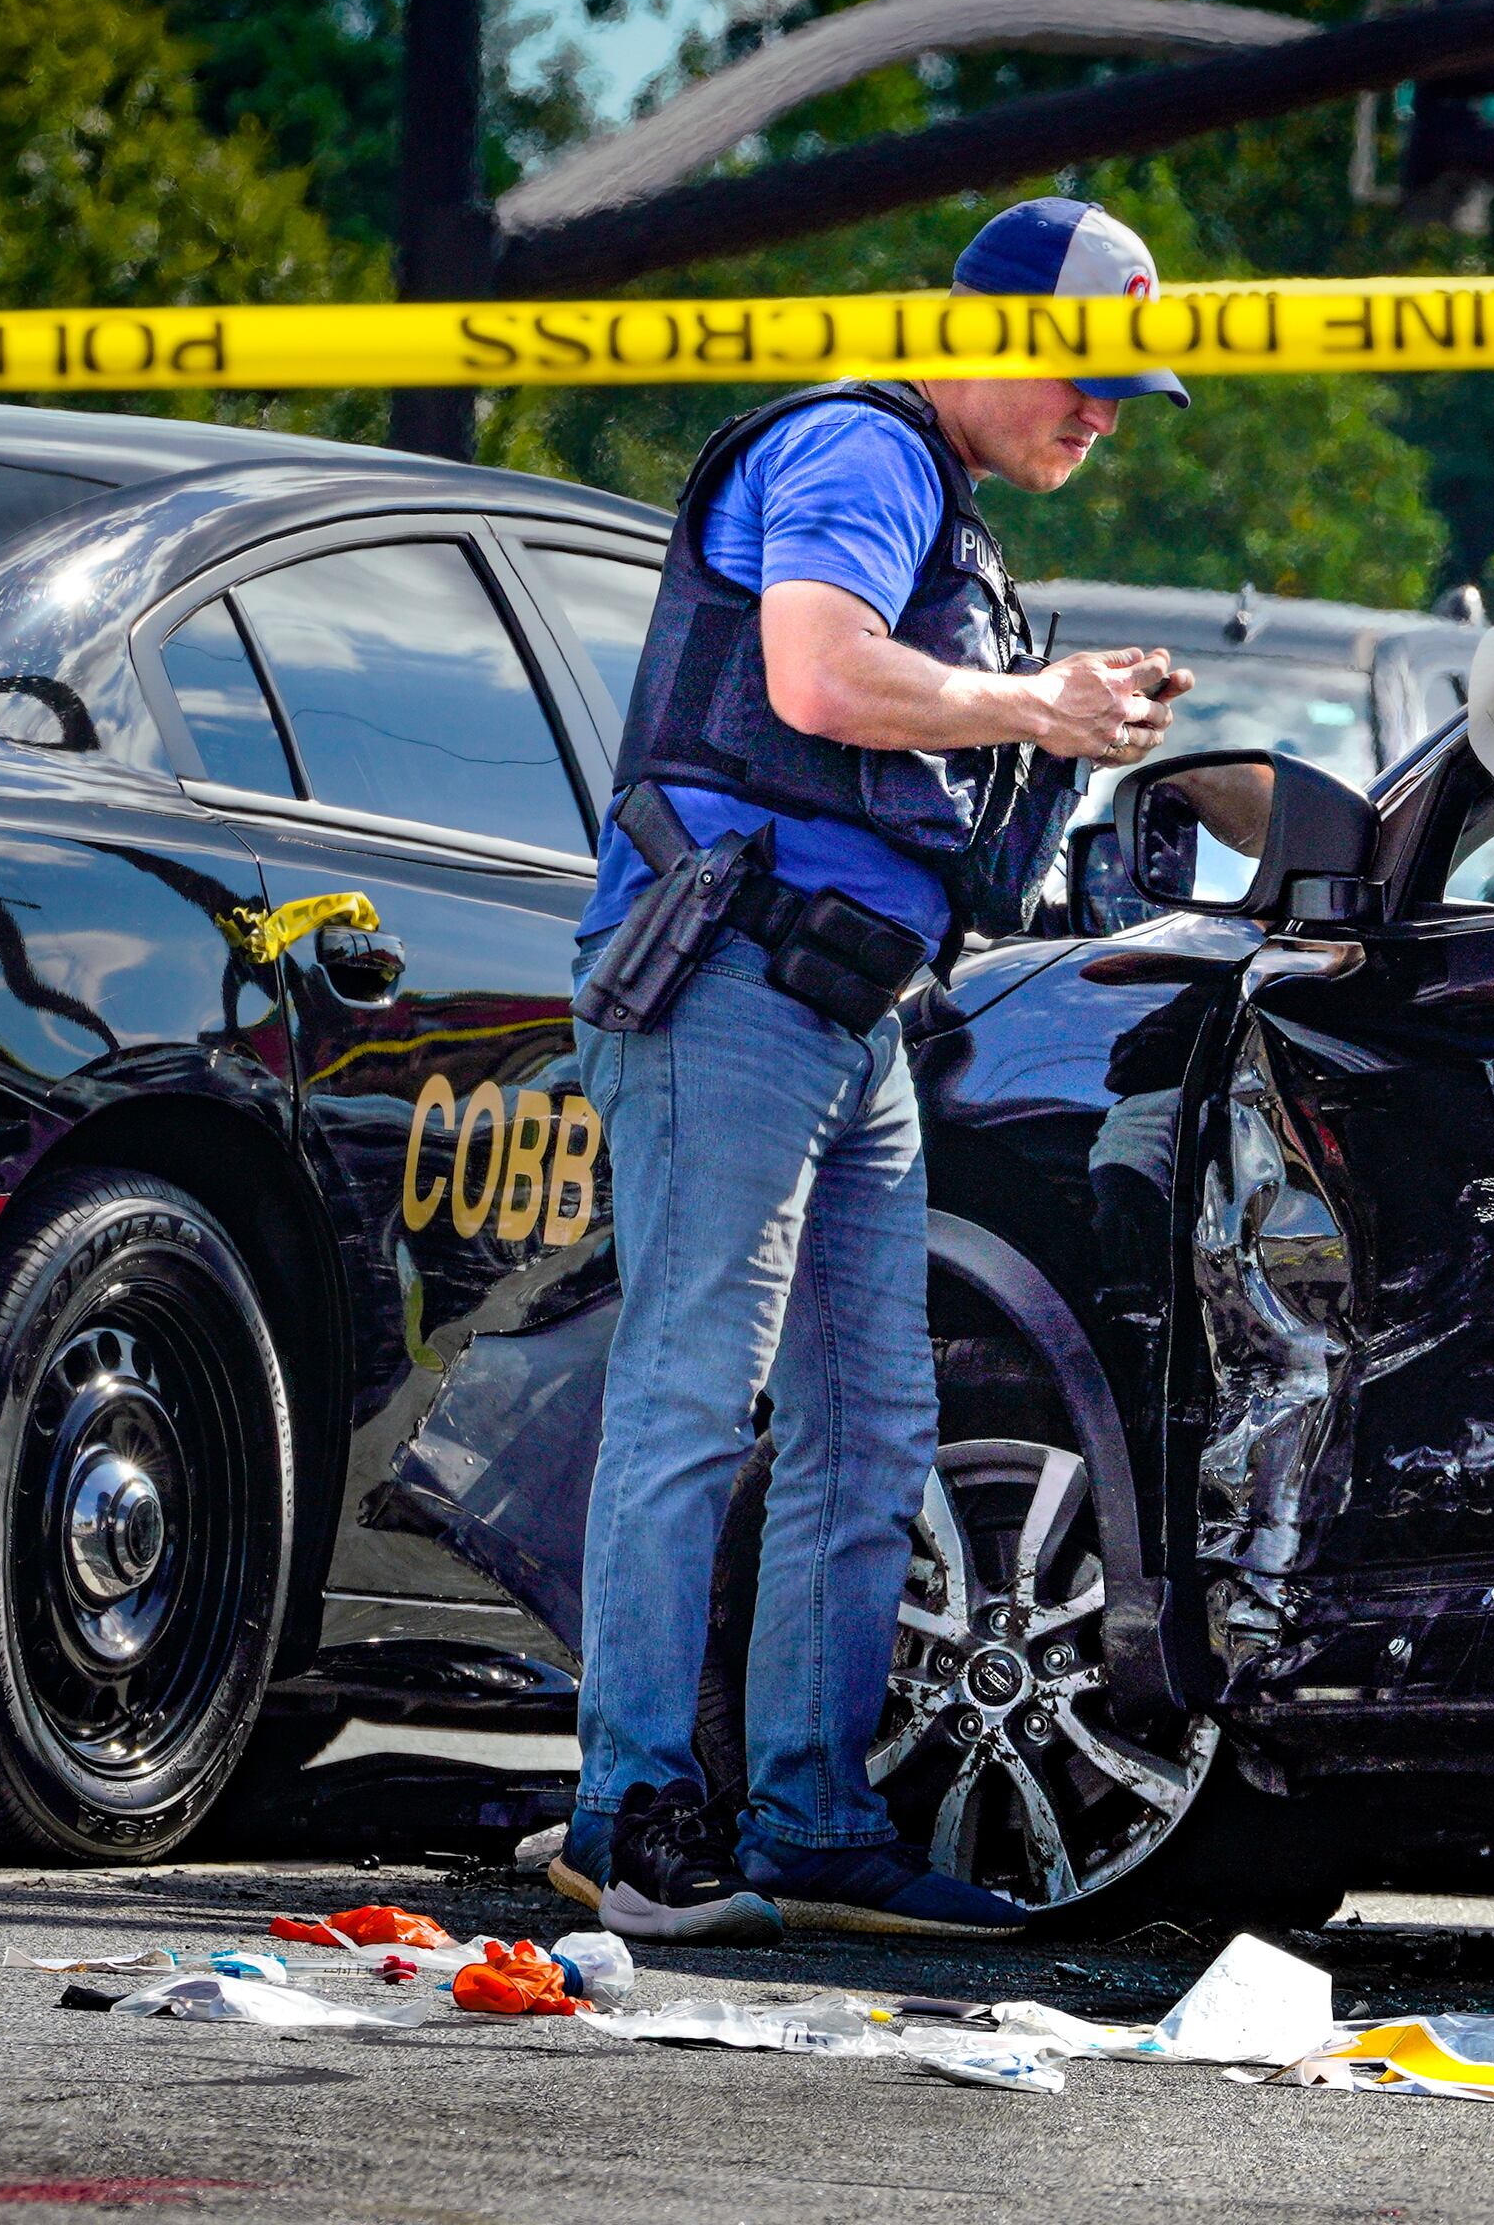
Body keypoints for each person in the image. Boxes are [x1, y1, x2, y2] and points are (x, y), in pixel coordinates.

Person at [552, 196, 1192, 1942]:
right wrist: (1041, 703)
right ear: (976, 336)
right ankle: (628, 1824)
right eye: (1080, 375)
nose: (1104, 412)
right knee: (699, 1393)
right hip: (739, 984)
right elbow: (818, 678)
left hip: (851, 1008)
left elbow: (892, 732)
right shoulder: (862, 443)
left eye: (1125, 387)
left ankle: (814, 1823)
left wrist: (1054, 722)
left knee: (871, 1424)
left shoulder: (939, 504)